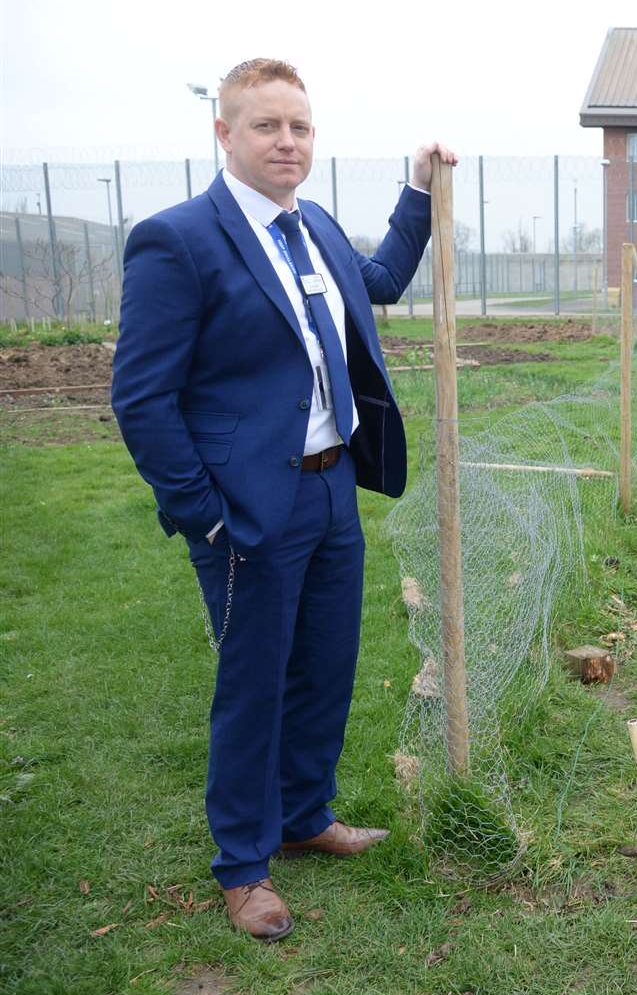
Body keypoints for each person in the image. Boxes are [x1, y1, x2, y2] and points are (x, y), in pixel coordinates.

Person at [111, 58, 457, 941]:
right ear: (223, 133)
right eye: (267, 126)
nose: (287, 142)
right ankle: (243, 865)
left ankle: (305, 815)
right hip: (246, 511)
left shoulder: (313, 229)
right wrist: (203, 511)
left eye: (299, 127)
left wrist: (417, 191)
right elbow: (141, 397)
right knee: (253, 685)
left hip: (331, 489)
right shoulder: (178, 240)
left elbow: (378, 283)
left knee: (325, 667)